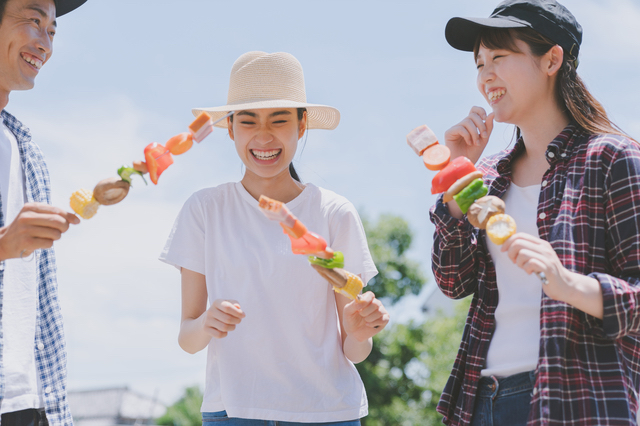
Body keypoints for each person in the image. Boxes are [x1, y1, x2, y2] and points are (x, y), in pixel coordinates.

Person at [430, 0, 640, 425]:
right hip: (481, 398)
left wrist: (569, 284)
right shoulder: (487, 175)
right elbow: (452, 282)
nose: (486, 74)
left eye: (500, 57)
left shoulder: (613, 158)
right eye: (479, 63)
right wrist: (456, 180)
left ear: (552, 60)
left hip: (577, 398)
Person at [160, 51, 389, 425]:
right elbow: (188, 337)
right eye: (248, 122)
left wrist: (360, 332)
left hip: (328, 413)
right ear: (231, 128)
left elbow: (355, 350)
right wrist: (207, 322)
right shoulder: (204, 210)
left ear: (302, 126)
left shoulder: (334, 213)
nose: (264, 136)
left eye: (279, 120)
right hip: (233, 412)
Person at [0, 0, 86, 425]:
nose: (45, 43)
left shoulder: (26, 150)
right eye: (33, 20)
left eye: (52, 30)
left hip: (28, 401)